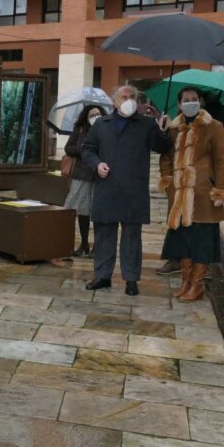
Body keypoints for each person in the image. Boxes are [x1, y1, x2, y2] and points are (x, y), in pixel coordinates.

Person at [82, 85, 171, 296]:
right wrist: (96, 164)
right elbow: (88, 149)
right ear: (114, 102)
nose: (129, 100)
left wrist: (163, 130)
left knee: (132, 237)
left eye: (132, 97)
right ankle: (102, 276)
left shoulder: (147, 124)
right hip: (107, 187)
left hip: (134, 189)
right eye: (124, 97)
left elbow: (161, 147)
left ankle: (131, 279)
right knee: (104, 234)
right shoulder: (101, 124)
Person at [156, 89, 224, 276]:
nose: (191, 103)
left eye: (194, 100)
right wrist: (167, 180)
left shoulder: (214, 126)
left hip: (204, 190)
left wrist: (221, 190)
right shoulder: (174, 127)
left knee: (202, 233)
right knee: (181, 232)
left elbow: (223, 161)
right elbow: (166, 156)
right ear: (180, 104)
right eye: (186, 100)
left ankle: (198, 279)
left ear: (201, 101)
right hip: (179, 191)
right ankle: (186, 277)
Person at [61, 105, 104, 258]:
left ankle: (97, 245)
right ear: (86, 117)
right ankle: (84, 242)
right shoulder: (80, 129)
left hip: (100, 175)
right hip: (81, 175)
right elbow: (68, 148)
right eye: (92, 114)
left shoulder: (106, 129)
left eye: (98, 114)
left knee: (98, 211)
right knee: (81, 210)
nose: (95, 117)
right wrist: (84, 149)